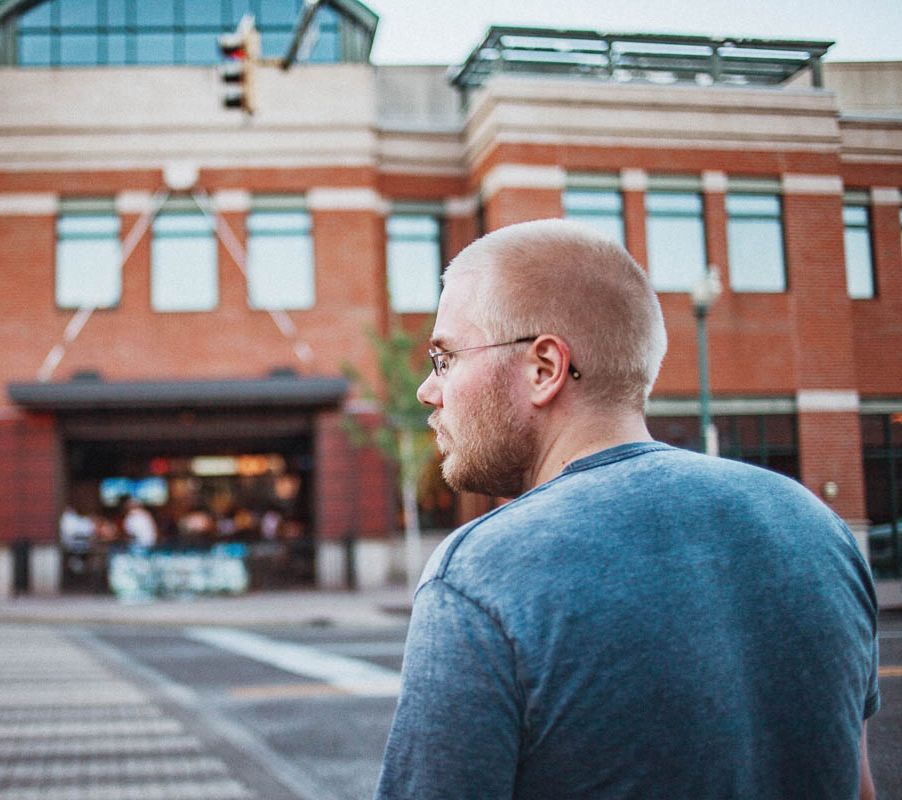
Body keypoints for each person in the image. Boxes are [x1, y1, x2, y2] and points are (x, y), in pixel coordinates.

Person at [376, 219, 879, 800]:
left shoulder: (477, 575)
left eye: (444, 358)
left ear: (544, 369)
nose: (427, 390)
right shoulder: (817, 528)